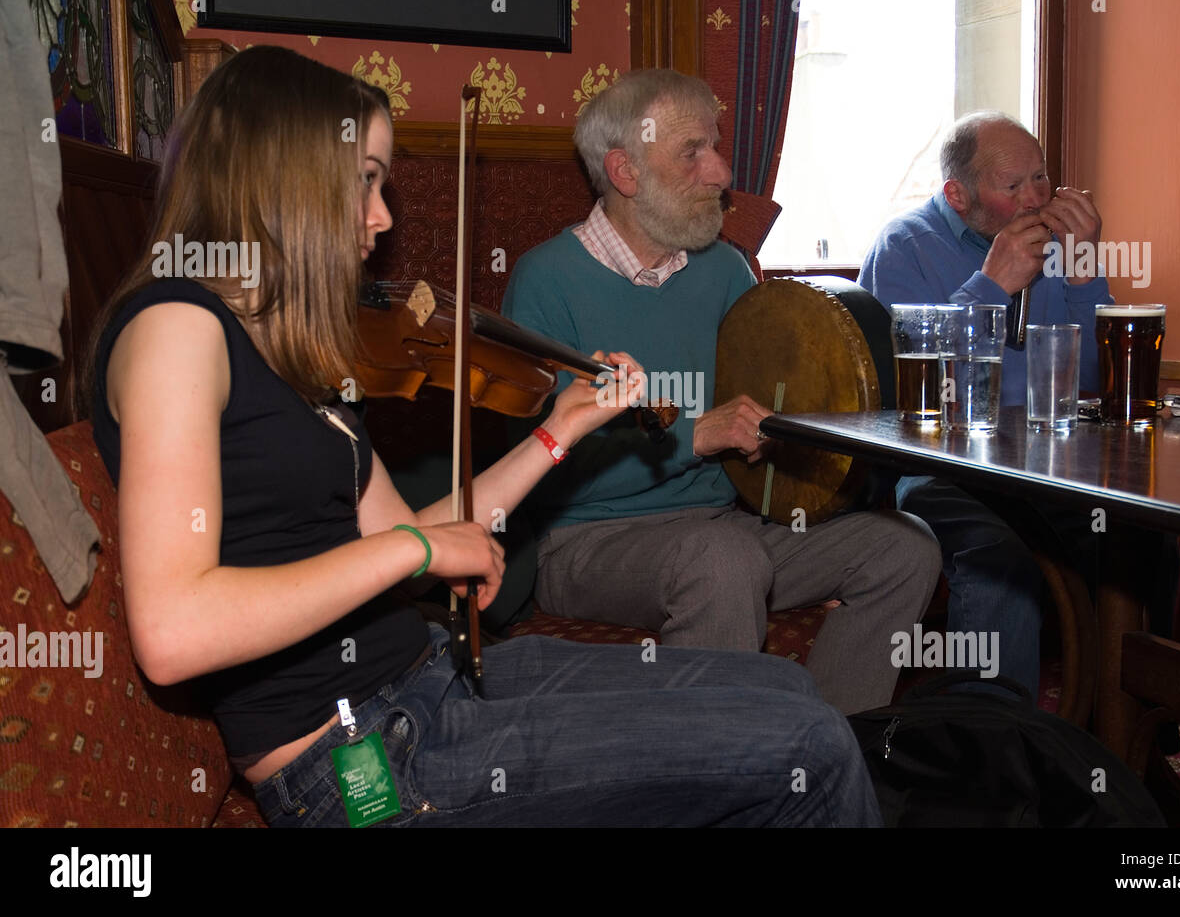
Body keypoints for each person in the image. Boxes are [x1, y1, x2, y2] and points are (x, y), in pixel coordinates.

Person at [82, 46, 878, 827]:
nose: (384, 216)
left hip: (431, 679)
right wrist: (420, 555)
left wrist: (560, 433)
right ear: (283, 174)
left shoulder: (288, 349)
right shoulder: (176, 326)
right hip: (362, 757)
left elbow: (405, 532)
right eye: (365, 181)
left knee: (789, 694)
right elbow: (173, 631)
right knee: (811, 744)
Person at [502, 69, 941, 716]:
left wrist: (793, 462)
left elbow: (764, 417)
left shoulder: (725, 268)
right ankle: (717, 780)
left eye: (716, 146)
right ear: (625, 172)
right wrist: (695, 434)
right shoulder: (546, 280)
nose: (720, 172)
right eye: (692, 152)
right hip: (589, 542)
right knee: (725, 558)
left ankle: (824, 755)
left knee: (906, 547)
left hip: (727, 528)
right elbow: (541, 461)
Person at [860, 111, 1114, 699]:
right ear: (957, 194)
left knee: (1137, 540)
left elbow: (1095, 379)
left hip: (1044, 464)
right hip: (938, 467)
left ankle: (1118, 738)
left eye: (1043, 180)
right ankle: (992, 755)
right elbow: (910, 392)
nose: (1035, 200)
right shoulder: (904, 248)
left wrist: (1081, 265)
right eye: (1012, 186)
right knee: (1000, 562)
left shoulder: (1060, 247)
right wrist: (991, 284)